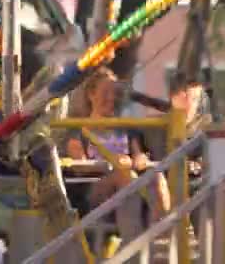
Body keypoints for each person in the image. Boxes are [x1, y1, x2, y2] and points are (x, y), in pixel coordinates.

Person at [64, 67, 170, 220]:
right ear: (91, 95)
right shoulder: (79, 130)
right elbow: (81, 166)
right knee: (123, 175)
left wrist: (140, 160)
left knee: (156, 177)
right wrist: (113, 162)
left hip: (129, 182)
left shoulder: (125, 127)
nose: (111, 97)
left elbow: (138, 155)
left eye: (114, 92)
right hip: (95, 188)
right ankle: (133, 237)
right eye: (105, 92)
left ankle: (163, 232)